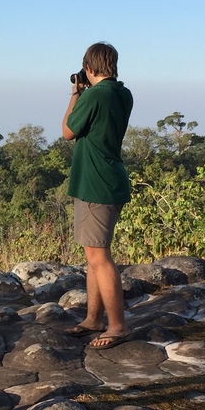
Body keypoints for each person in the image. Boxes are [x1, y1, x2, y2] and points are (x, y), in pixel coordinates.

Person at [61, 42, 133, 349]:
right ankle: (93, 318)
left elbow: (67, 131)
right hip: (110, 179)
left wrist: (76, 93)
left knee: (100, 258)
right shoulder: (123, 94)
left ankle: (117, 326)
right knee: (93, 256)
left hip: (96, 184)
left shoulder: (93, 95)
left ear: (89, 68)